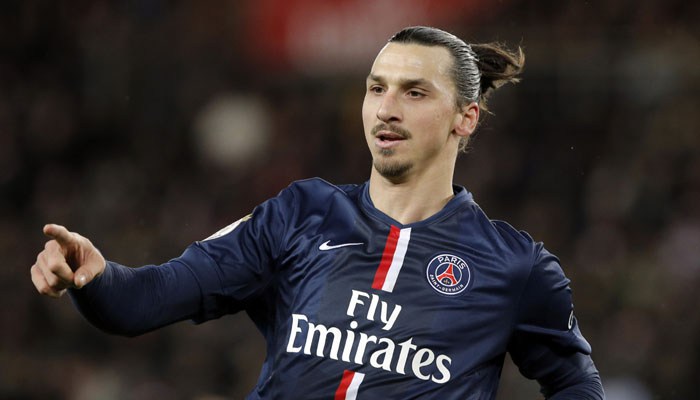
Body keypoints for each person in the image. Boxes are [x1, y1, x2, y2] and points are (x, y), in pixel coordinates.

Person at [31, 26, 604, 399]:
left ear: (466, 118)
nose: (386, 108)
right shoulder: (300, 214)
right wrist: (93, 276)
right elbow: (141, 302)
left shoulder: (516, 267)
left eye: (414, 92)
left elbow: (575, 384)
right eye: (376, 88)